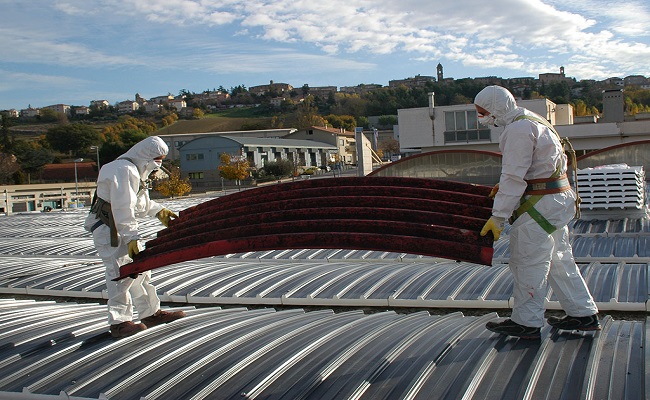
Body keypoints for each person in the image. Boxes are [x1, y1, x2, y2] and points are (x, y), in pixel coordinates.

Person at [475, 85, 600, 340]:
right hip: (555, 201)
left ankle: (527, 322)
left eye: (483, 112)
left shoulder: (518, 130)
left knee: (528, 262)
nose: (481, 117)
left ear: (496, 108)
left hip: (539, 206)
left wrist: (498, 217)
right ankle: (583, 313)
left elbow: (513, 177)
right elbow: (540, 166)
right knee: (559, 260)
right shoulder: (534, 120)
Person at [84, 136, 186, 338]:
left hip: (120, 229)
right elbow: (123, 209)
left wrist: (159, 210)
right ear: (146, 155)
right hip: (110, 230)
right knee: (120, 274)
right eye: (158, 158)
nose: (159, 163)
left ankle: (150, 314)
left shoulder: (132, 170)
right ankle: (120, 323)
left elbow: (139, 204)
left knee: (140, 272)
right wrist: (131, 237)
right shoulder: (123, 170)